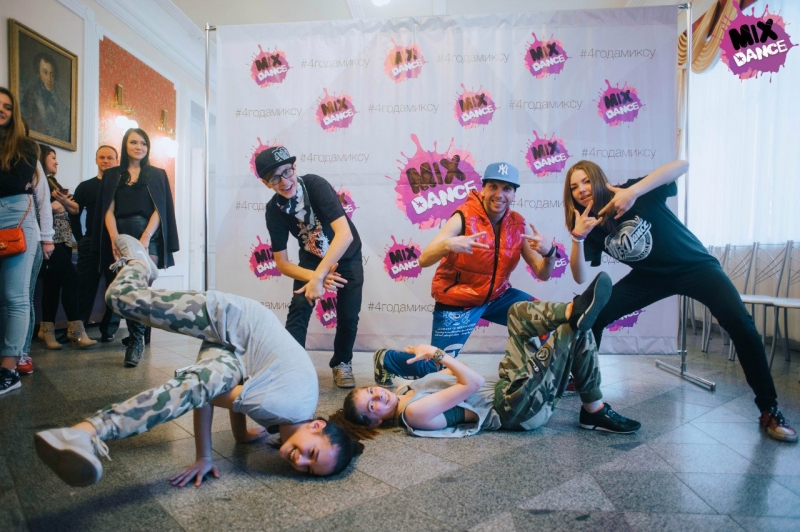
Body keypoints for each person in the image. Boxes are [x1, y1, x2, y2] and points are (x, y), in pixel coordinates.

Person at [34, 234, 365, 487]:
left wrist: (239, 436)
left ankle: (84, 433)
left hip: (239, 352)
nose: (300, 462)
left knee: (198, 385)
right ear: (317, 426)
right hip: (230, 317)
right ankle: (139, 263)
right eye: (312, 453)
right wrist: (205, 455)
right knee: (120, 298)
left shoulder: (290, 415)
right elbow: (205, 395)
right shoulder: (284, 406)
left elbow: (242, 385)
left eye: (308, 470)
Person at [562, 159, 796, 444]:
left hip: (695, 266)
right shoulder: (590, 223)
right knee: (595, 314)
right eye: (574, 187)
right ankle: (585, 388)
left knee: (740, 324)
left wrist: (634, 191)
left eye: (586, 180)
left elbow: (681, 165)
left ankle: (769, 409)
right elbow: (579, 277)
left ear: (598, 178)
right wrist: (578, 237)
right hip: (650, 276)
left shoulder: (632, 192)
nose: (582, 189)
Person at [341, 272, 641, 438]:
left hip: (509, 388)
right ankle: (594, 410)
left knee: (517, 313)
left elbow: (457, 377)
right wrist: (437, 353)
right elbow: (472, 382)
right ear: (375, 423)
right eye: (372, 406)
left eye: (371, 391)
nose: (378, 396)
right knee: (573, 331)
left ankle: (574, 309)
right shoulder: (413, 414)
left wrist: (436, 363)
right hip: (515, 411)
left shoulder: (405, 392)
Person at [374, 161, 558, 386]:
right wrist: (448, 245)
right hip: (459, 299)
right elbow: (423, 259)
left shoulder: (519, 224)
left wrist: (550, 253)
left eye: (507, 188)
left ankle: (531, 375)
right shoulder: (464, 216)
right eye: (493, 186)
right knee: (436, 368)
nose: (499, 194)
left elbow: (542, 273)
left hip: (497, 296)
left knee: (545, 317)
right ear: (483, 189)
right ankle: (385, 359)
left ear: (514, 194)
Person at [260, 146, 363, 389]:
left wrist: (319, 277)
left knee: (348, 314)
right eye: (275, 178)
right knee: (299, 305)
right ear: (266, 183)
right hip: (312, 257)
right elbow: (282, 263)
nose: (284, 182)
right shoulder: (274, 210)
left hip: (346, 255)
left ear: (295, 168)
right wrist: (317, 275)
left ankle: (342, 362)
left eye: (287, 172)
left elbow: (345, 235)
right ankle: (290, 366)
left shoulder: (315, 185)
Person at [94, 128, 179, 367]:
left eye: (143, 143)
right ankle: (137, 336)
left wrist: (146, 236)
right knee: (127, 288)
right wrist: (114, 238)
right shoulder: (113, 175)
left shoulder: (158, 174)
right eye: (134, 142)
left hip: (149, 234)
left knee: (140, 287)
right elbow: (107, 210)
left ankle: (135, 340)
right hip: (120, 232)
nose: (139, 147)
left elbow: (160, 210)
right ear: (125, 145)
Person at [0, 87, 53, 395]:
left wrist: (47, 239)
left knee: (16, 296)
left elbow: (17, 183)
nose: (2, 109)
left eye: (7, 106)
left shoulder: (26, 146)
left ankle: (10, 367)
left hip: (16, 220)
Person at [37, 144, 96, 350]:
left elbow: (75, 208)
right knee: (72, 278)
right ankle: (76, 330)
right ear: (41, 158)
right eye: (52, 157)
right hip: (48, 240)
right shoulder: (36, 181)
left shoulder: (53, 183)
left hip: (64, 240)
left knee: (52, 285)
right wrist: (54, 206)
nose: (56, 162)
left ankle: (46, 330)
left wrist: (62, 203)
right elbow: (36, 207)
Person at [72, 145, 121, 342]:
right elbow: (74, 213)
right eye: (102, 157)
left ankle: (108, 330)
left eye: (110, 157)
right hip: (91, 243)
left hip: (115, 245)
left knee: (115, 287)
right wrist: (80, 238)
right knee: (85, 287)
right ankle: (79, 329)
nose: (105, 161)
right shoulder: (85, 186)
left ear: (117, 160)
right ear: (96, 160)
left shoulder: (122, 187)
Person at [17, 118, 54, 376]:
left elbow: (43, 201)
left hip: (28, 235)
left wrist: (47, 239)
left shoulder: (30, 157)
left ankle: (21, 351)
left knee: (23, 296)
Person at [21, 53, 70, 141]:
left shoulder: (58, 102)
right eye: (45, 72)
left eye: (52, 74)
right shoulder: (30, 96)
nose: (49, 79)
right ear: (38, 74)